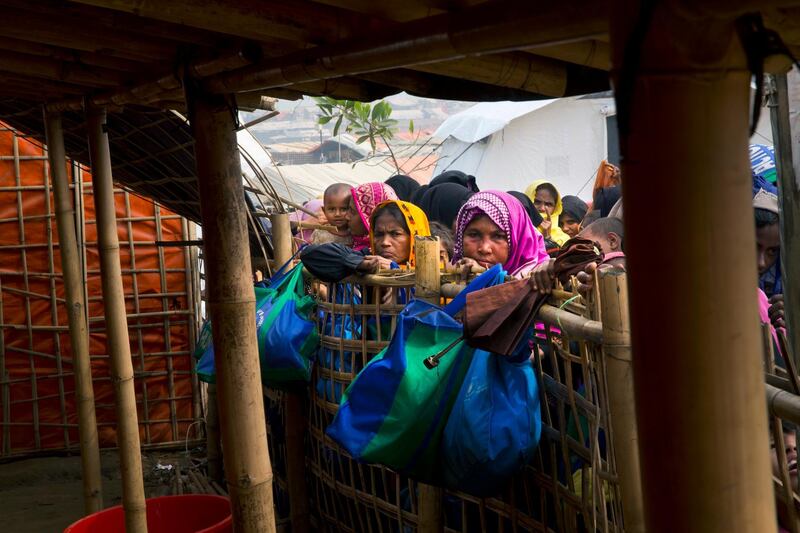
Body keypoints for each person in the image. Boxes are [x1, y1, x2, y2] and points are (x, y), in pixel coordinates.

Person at [452, 190, 549, 278]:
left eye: (498, 236)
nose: (485, 249)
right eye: (474, 235)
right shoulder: (447, 275)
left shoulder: (541, 278)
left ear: (518, 240)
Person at [525, 180, 569, 247]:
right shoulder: (517, 232)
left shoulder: (564, 240)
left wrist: (548, 239)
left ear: (556, 208)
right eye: (536, 202)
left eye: (548, 204)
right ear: (528, 201)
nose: (542, 208)